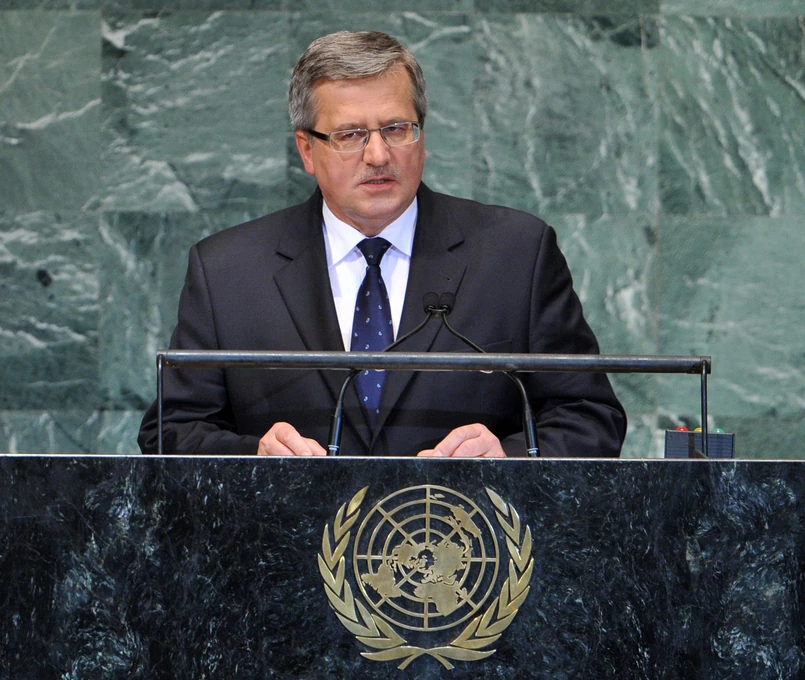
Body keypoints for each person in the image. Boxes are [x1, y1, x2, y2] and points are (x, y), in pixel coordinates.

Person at [138, 30, 626, 458]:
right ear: (307, 149)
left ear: (422, 136)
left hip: (463, 533)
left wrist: (510, 457)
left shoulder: (515, 253)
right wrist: (255, 456)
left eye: (396, 129)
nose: (377, 154)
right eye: (350, 135)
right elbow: (171, 431)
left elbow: (589, 416)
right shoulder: (228, 271)